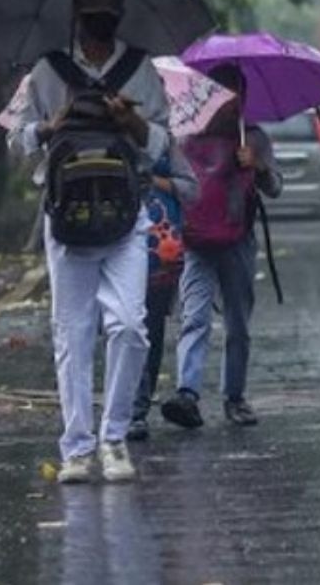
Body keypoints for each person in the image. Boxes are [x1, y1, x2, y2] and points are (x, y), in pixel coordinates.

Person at [6, 0, 173, 484]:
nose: (100, 18)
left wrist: (134, 122)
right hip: (66, 221)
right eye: (91, 9)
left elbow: (166, 144)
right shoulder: (46, 72)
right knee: (73, 335)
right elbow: (15, 143)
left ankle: (114, 438)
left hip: (127, 219)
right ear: (75, 12)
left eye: (109, 9)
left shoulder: (141, 72)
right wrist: (49, 126)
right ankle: (77, 448)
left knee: (128, 325)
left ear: (119, 12)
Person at [161, 63, 283, 429]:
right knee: (194, 317)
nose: (227, 102)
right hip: (196, 240)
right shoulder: (184, 136)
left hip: (237, 241)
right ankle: (188, 394)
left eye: (234, 94)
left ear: (244, 98)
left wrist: (258, 166)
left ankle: (235, 397)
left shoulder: (255, 138)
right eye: (220, 92)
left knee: (238, 324)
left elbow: (275, 187)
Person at [127, 148, 198, 442]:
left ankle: (138, 407)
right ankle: (132, 409)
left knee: (151, 330)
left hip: (160, 252)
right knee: (126, 325)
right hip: (115, 241)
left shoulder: (166, 142)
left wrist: (157, 181)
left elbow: (190, 188)